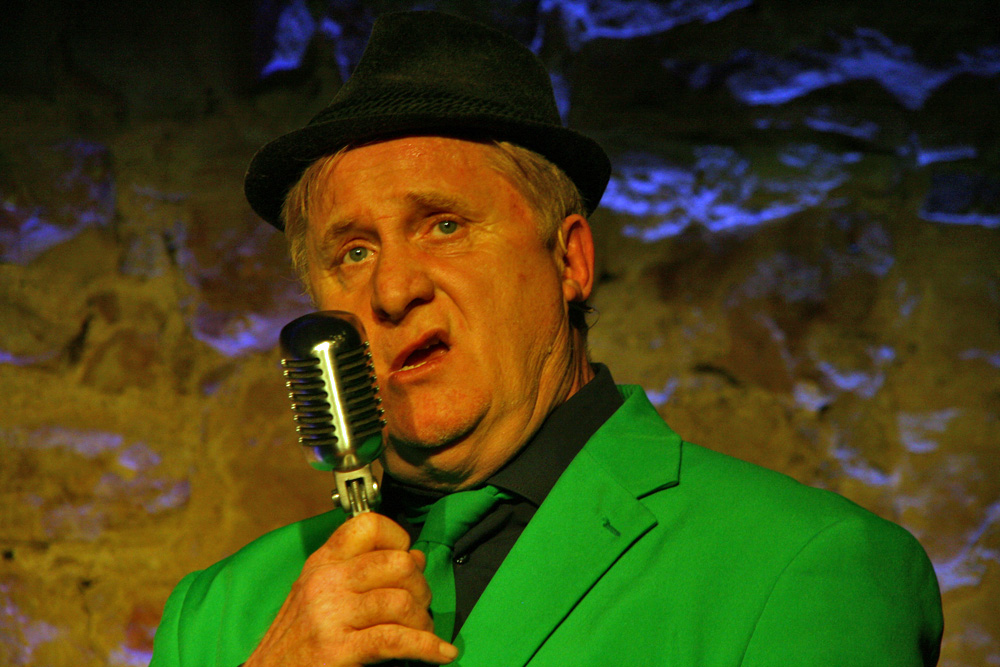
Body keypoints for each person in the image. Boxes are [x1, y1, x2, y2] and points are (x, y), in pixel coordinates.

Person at [150, 10, 943, 667]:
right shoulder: (221, 615)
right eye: (353, 252)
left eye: (444, 225)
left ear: (570, 260)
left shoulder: (801, 566)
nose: (392, 290)